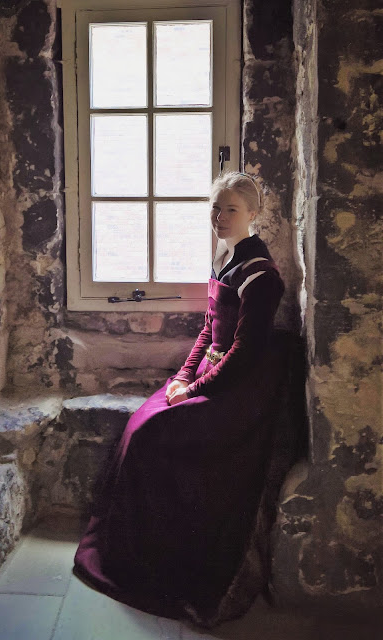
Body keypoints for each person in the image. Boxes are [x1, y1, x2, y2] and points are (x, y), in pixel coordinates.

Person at [73, 171, 292, 628]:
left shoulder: (261, 275)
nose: (220, 217)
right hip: (210, 372)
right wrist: (183, 374)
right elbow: (209, 330)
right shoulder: (224, 258)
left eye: (231, 209)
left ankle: (163, 558)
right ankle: (135, 549)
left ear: (253, 214)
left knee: (155, 432)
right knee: (141, 420)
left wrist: (192, 390)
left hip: (238, 389)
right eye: (215, 208)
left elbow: (244, 354)